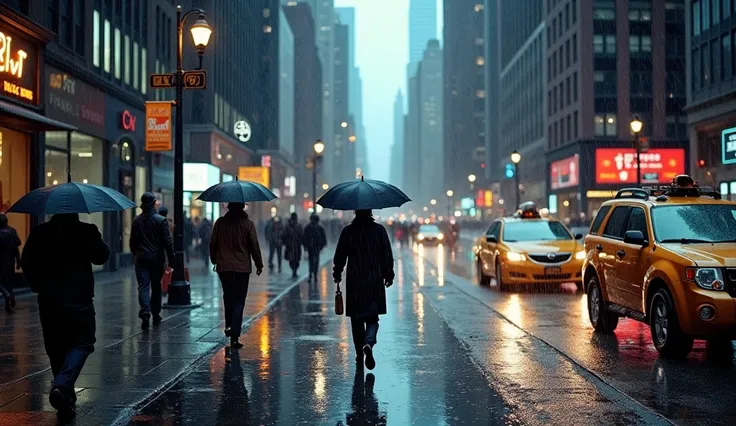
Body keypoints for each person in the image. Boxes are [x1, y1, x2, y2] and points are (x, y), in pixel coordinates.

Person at [21, 213, 110, 420]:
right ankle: (62, 385)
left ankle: (65, 397)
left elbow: (26, 261)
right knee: (83, 343)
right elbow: (102, 256)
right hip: (79, 299)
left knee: (55, 348)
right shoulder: (86, 231)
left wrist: (37, 285)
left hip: (49, 300)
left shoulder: (40, 232)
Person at [333, 210, 395, 371]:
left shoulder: (348, 231)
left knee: (356, 320)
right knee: (372, 318)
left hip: (355, 280)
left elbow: (340, 255)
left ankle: (359, 355)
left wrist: (337, 272)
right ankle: (368, 342)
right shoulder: (379, 230)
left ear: (355, 212)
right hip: (374, 280)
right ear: (371, 212)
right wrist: (389, 273)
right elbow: (387, 254)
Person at [210, 203, 263, 352]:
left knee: (228, 297)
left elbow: (213, 243)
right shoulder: (248, 225)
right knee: (239, 301)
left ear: (229, 208)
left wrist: (214, 259)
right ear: (242, 208)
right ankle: (235, 336)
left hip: (224, 267)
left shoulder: (220, 223)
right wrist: (259, 264)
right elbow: (254, 246)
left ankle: (228, 325)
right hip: (241, 268)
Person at [130, 193, 175, 330]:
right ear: (154, 203)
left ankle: (145, 312)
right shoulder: (161, 220)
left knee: (143, 286)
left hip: (142, 258)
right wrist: (171, 260)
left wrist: (136, 254)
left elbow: (132, 242)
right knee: (156, 287)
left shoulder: (136, 221)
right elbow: (168, 242)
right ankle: (155, 313)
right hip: (156, 259)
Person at [0, 213, 20, 313]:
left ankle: (7, 295)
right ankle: (11, 298)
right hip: (9, 261)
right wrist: (18, 261)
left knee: (3, 283)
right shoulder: (11, 231)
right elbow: (17, 246)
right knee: (8, 283)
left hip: (1, 261)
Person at [302, 214, 327, 283]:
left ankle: (314, 274)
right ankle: (311, 274)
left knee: (315, 262)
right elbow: (304, 238)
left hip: (316, 248)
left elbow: (323, 239)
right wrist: (305, 246)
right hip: (311, 248)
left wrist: (321, 246)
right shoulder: (308, 228)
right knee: (311, 262)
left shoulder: (319, 228)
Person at [282, 213, 303, 278]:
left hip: (296, 246)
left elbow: (302, 235)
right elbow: (284, 235)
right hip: (290, 246)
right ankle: (294, 270)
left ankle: (295, 270)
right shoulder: (288, 226)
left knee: (296, 260)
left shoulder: (298, 226)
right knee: (292, 260)